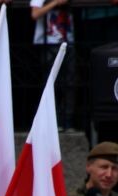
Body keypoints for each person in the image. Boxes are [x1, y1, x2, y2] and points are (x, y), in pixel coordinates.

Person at [30, 0, 76, 129]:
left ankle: (67, 120)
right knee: (51, 83)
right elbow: (35, 14)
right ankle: (52, 120)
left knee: (70, 82)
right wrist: (55, 3)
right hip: (48, 44)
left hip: (68, 42)